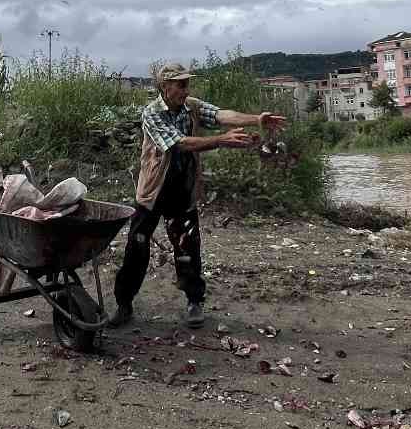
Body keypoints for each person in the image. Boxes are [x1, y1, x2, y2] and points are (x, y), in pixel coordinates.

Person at [110, 63, 287, 329]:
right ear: (164, 86)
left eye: (187, 84)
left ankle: (194, 301)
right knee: (137, 247)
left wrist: (256, 119)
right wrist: (220, 141)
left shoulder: (190, 106)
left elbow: (220, 115)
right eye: (180, 84)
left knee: (188, 247)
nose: (185, 89)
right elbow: (180, 143)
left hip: (183, 188)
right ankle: (124, 304)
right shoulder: (151, 113)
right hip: (153, 191)